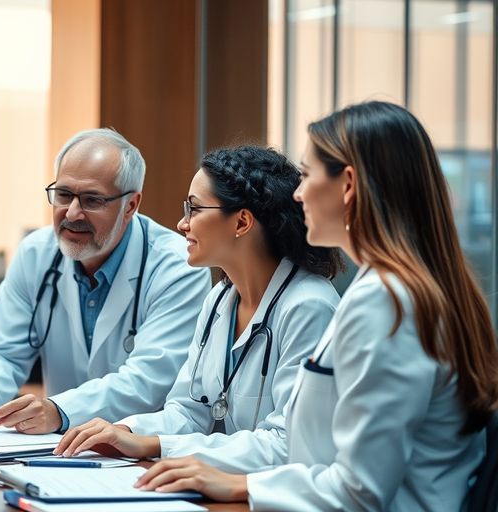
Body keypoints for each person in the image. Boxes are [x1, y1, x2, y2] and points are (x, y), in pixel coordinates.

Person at [135, 102, 498, 511]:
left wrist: (242, 486)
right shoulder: (385, 290)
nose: (297, 192)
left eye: (307, 175)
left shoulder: (386, 303)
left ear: (347, 185)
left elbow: (359, 490)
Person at [55, 145, 341, 472]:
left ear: (242, 221)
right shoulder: (220, 298)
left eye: (194, 209)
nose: (182, 223)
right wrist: (126, 430)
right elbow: (189, 411)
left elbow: (287, 444)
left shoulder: (309, 307)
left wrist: (155, 445)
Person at [0, 128, 210, 434]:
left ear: (131, 205)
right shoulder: (36, 254)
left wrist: (60, 410)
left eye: (92, 200)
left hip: (141, 451)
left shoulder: (177, 266)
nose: (72, 213)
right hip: (55, 450)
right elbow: (1, 352)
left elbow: (149, 379)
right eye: (63, 195)